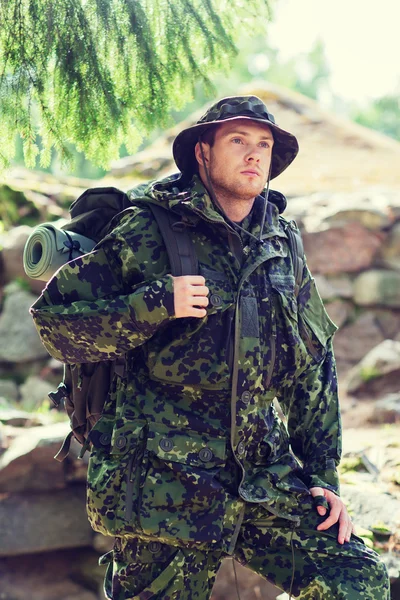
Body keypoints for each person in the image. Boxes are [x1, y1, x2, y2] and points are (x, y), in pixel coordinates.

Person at [31, 96, 390, 599]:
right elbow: (55, 325)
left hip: (262, 477)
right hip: (165, 485)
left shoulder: (280, 240)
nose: (253, 155)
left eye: (263, 145)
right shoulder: (147, 230)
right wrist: (153, 302)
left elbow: (313, 362)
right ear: (203, 152)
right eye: (238, 141)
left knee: (355, 580)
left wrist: (323, 475)